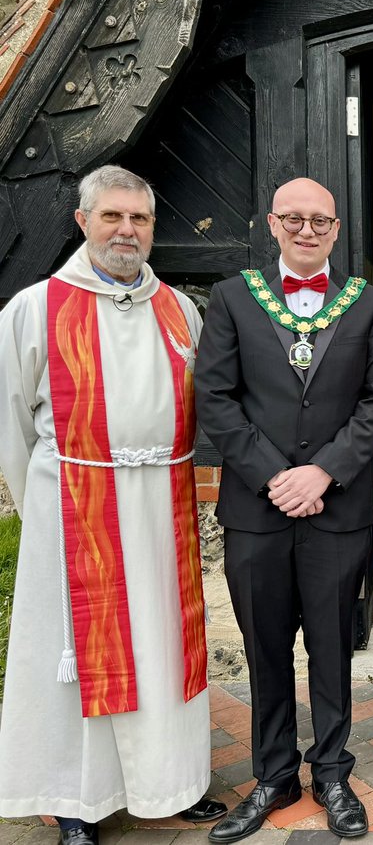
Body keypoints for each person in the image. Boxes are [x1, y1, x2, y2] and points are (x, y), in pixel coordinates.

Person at [0, 165, 227, 844]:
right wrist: (47, 497)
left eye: (140, 219)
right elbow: (10, 421)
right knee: (77, 657)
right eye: (112, 217)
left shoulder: (179, 310)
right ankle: (78, 801)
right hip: (73, 507)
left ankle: (172, 784)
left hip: (160, 507)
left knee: (163, 644)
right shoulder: (36, 308)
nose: (126, 231)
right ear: (83, 221)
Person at [195, 178, 373, 842]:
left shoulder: (368, 305)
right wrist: (276, 475)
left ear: (337, 230)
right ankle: (274, 773)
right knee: (266, 649)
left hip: (336, 510)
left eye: (321, 221)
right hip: (258, 510)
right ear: (273, 225)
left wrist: (324, 473)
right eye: (295, 219)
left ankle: (333, 771)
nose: (308, 230)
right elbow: (216, 399)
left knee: (334, 647)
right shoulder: (231, 298)